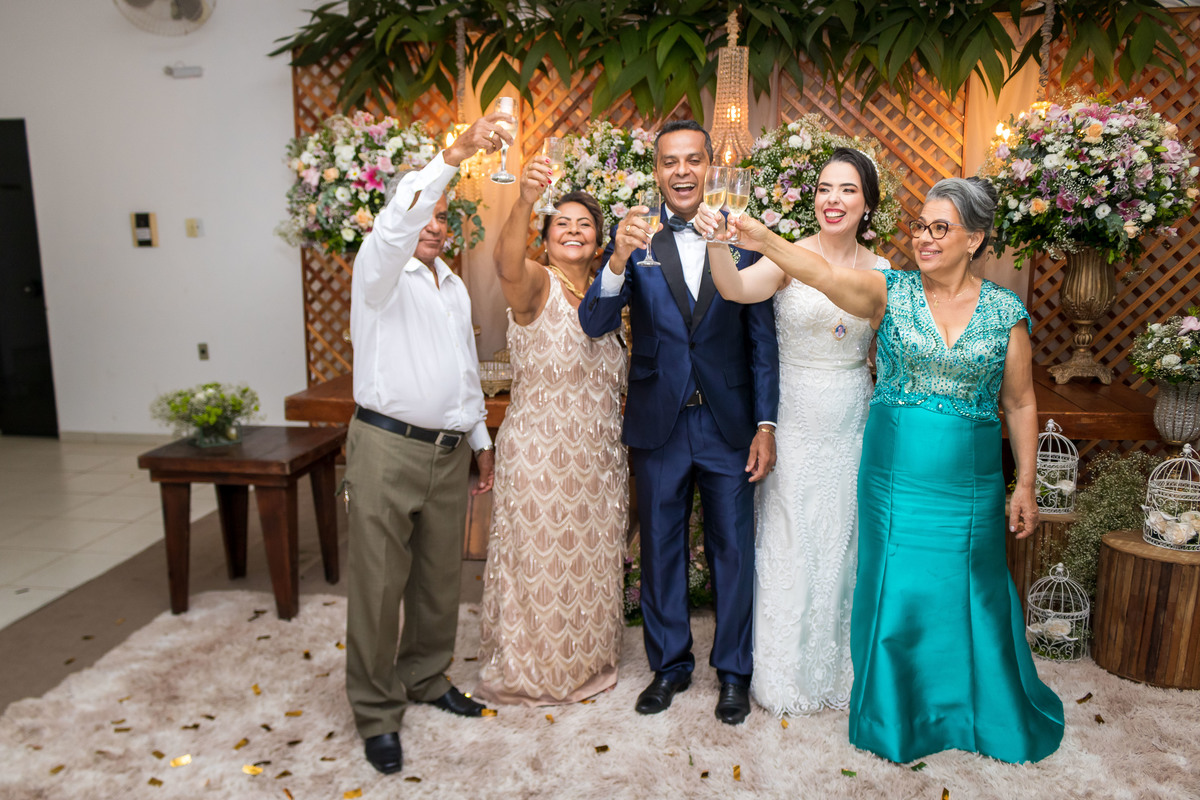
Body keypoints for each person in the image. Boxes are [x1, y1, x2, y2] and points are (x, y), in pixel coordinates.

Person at [696, 176, 1064, 762]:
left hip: (971, 484)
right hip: (893, 477)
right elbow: (822, 274)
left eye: (940, 228)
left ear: (974, 240)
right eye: (920, 226)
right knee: (898, 588)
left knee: (972, 590)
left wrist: (1025, 483)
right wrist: (763, 240)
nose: (925, 238)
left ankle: (976, 708)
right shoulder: (890, 291)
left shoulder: (1005, 312)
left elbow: (1019, 403)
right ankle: (897, 711)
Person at [578, 120, 779, 726]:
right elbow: (595, 322)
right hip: (658, 423)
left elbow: (761, 343)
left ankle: (734, 672)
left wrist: (766, 424)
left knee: (733, 551)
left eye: (693, 160)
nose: (683, 171)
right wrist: (616, 258)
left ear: (709, 167)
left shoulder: (743, 238)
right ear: (658, 172)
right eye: (671, 161)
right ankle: (668, 666)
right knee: (660, 548)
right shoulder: (636, 238)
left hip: (728, 424)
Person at [343, 111, 513, 776]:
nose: (435, 225)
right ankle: (376, 711)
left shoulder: (451, 285)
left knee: (440, 580)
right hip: (386, 449)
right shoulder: (379, 272)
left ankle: (425, 677)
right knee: (379, 586)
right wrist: (454, 154)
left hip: (448, 451)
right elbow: (396, 225)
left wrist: (480, 438)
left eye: (444, 217)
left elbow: (463, 371)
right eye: (426, 215)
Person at [703, 148, 889, 717]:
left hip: (852, 413)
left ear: (867, 203)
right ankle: (782, 670)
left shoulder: (882, 271)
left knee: (842, 539)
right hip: (794, 414)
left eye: (848, 190)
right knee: (789, 535)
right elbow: (735, 290)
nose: (833, 199)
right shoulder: (786, 256)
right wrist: (718, 244)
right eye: (825, 188)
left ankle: (838, 665)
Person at [475, 155, 629, 705]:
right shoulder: (537, 284)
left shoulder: (612, 298)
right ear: (544, 238)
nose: (572, 230)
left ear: (600, 242)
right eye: (561, 222)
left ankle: (584, 660)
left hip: (599, 461)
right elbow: (504, 264)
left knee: (589, 561)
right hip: (540, 456)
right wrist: (523, 199)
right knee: (540, 562)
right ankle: (534, 670)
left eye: (584, 224)